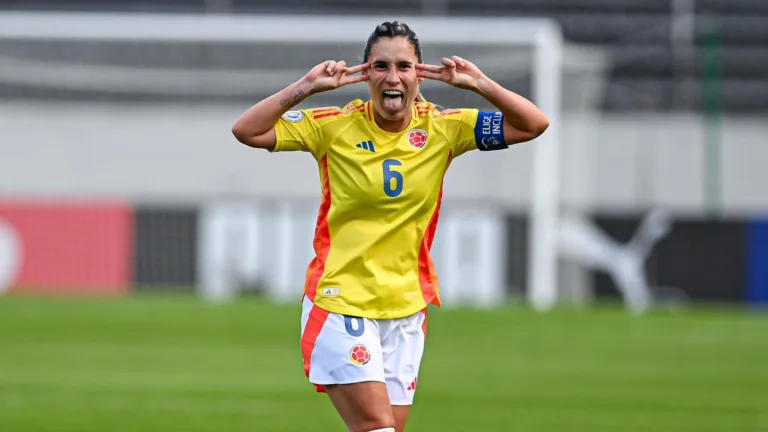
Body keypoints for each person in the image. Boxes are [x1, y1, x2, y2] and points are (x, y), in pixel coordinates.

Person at [231, 21, 549, 432]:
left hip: (405, 309)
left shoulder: (443, 127)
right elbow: (247, 130)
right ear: (365, 73)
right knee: (376, 427)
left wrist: (479, 84)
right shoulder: (333, 125)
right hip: (341, 302)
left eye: (404, 66)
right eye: (381, 66)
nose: (392, 77)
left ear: (420, 74)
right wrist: (306, 87)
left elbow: (533, 124)